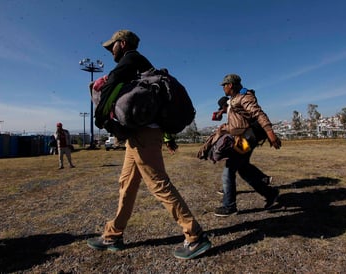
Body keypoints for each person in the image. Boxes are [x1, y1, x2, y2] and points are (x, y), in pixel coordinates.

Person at [86, 30, 211, 260]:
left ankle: (195, 236)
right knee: (127, 183)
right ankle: (113, 235)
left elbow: (111, 83)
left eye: (112, 46)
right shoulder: (142, 66)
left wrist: (100, 113)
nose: (110, 50)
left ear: (122, 44)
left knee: (158, 184)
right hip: (139, 135)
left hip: (144, 135)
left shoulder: (131, 58)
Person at [214, 74, 282, 217]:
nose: (223, 88)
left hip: (245, 140)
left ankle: (229, 205)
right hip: (242, 138)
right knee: (243, 168)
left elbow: (258, 114)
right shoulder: (234, 99)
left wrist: (270, 133)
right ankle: (270, 193)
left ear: (230, 85)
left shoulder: (244, 97)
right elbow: (237, 120)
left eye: (224, 85)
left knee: (230, 169)